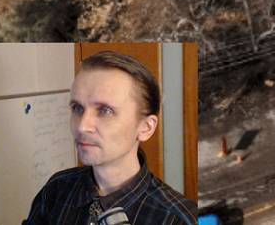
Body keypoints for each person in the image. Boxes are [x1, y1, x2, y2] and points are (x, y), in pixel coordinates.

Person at [23, 51, 194, 225]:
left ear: (146, 127)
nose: (82, 126)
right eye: (77, 108)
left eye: (105, 111)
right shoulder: (56, 190)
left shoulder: (177, 219)